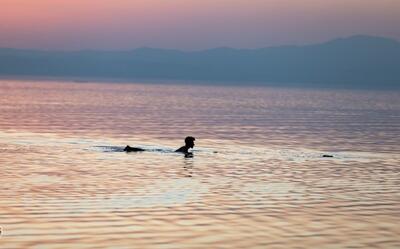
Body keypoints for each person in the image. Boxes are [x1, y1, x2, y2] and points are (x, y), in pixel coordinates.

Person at [123, 136, 196, 154]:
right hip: (168, 153)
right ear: (189, 143)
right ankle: (130, 149)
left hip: (168, 152)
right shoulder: (185, 149)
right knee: (144, 150)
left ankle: (130, 148)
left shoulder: (184, 148)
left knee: (144, 150)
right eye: (192, 142)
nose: (194, 144)